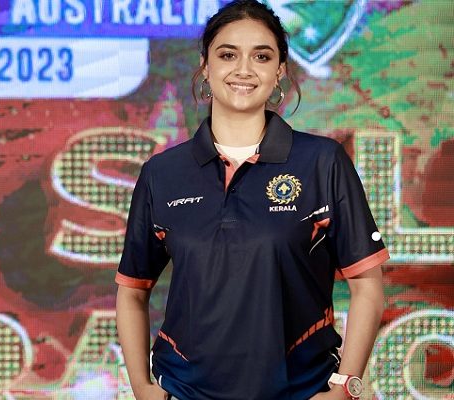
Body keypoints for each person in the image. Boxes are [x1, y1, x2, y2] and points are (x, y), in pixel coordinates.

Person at [114, 1, 387, 399]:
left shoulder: (322, 162)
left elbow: (367, 285)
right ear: (205, 66)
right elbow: (132, 291)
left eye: (261, 56)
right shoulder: (162, 173)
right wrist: (142, 387)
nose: (244, 69)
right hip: (187, 391)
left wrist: (345, 387)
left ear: (279, 72)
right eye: (228, 55)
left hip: (299, 390)